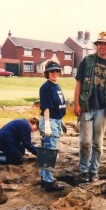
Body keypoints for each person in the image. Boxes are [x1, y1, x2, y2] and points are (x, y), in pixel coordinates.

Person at [74, 31, 106, 183]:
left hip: (102, 109)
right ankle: (84, 170)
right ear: (97, 46)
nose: (102, 47)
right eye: (100, 43)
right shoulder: (87, 61)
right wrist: (76, 104)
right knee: (85, 142)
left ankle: (94, 171)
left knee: (98, 143)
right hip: (86, 106)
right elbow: (79, 83)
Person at [39, 60, 66, 192]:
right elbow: (46, 108)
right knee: (50, 153)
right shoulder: (46, 87)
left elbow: (58, 107)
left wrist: (61, 122)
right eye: (52, 71)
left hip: (56, 120)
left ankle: (44, 178)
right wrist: (48, 125)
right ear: (47, 73)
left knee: (47, 151)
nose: (55, 73)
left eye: (57, 71)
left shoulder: (57, 86)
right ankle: (49, 182)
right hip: (49, 121)